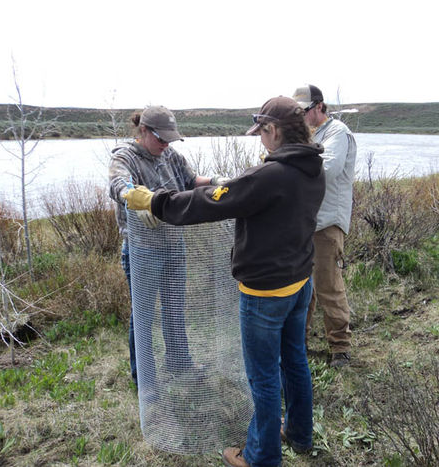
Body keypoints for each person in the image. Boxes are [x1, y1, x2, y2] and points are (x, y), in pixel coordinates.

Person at [122, 96, 325, 467]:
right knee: (294, 361)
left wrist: (155, 203)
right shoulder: (312, 167)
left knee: (262, 380)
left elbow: (209, 202)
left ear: (274, 130)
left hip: (265, 293)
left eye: (262, 133)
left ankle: (260, 457)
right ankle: (299, 433)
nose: (261, 141)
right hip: (300, 283)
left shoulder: (271, 174)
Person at [108, 106, 227, 393]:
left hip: (174, 244)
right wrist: (137, 198)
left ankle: (179, 363)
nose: (165, 145)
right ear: (144, 131)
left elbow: (190, 181)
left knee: (174, 309)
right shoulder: (125, 156)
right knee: (144, 314)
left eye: (169, 140)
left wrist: (214, 182)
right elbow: (117, 185)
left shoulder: (170, 154)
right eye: (161, 139)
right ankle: (145, 379)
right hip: (142, 250)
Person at [292, 84, 357, 368]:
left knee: (328, 285)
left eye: (304, 111)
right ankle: (298, 343)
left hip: (327, 223)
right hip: (304, 222)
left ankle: (340, 348)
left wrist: (290, 160)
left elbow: (326, 170)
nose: (301, 117)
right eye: (297, 112)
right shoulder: (306, 135)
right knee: (300, 287)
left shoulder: (337, 133)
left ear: (319, 106)